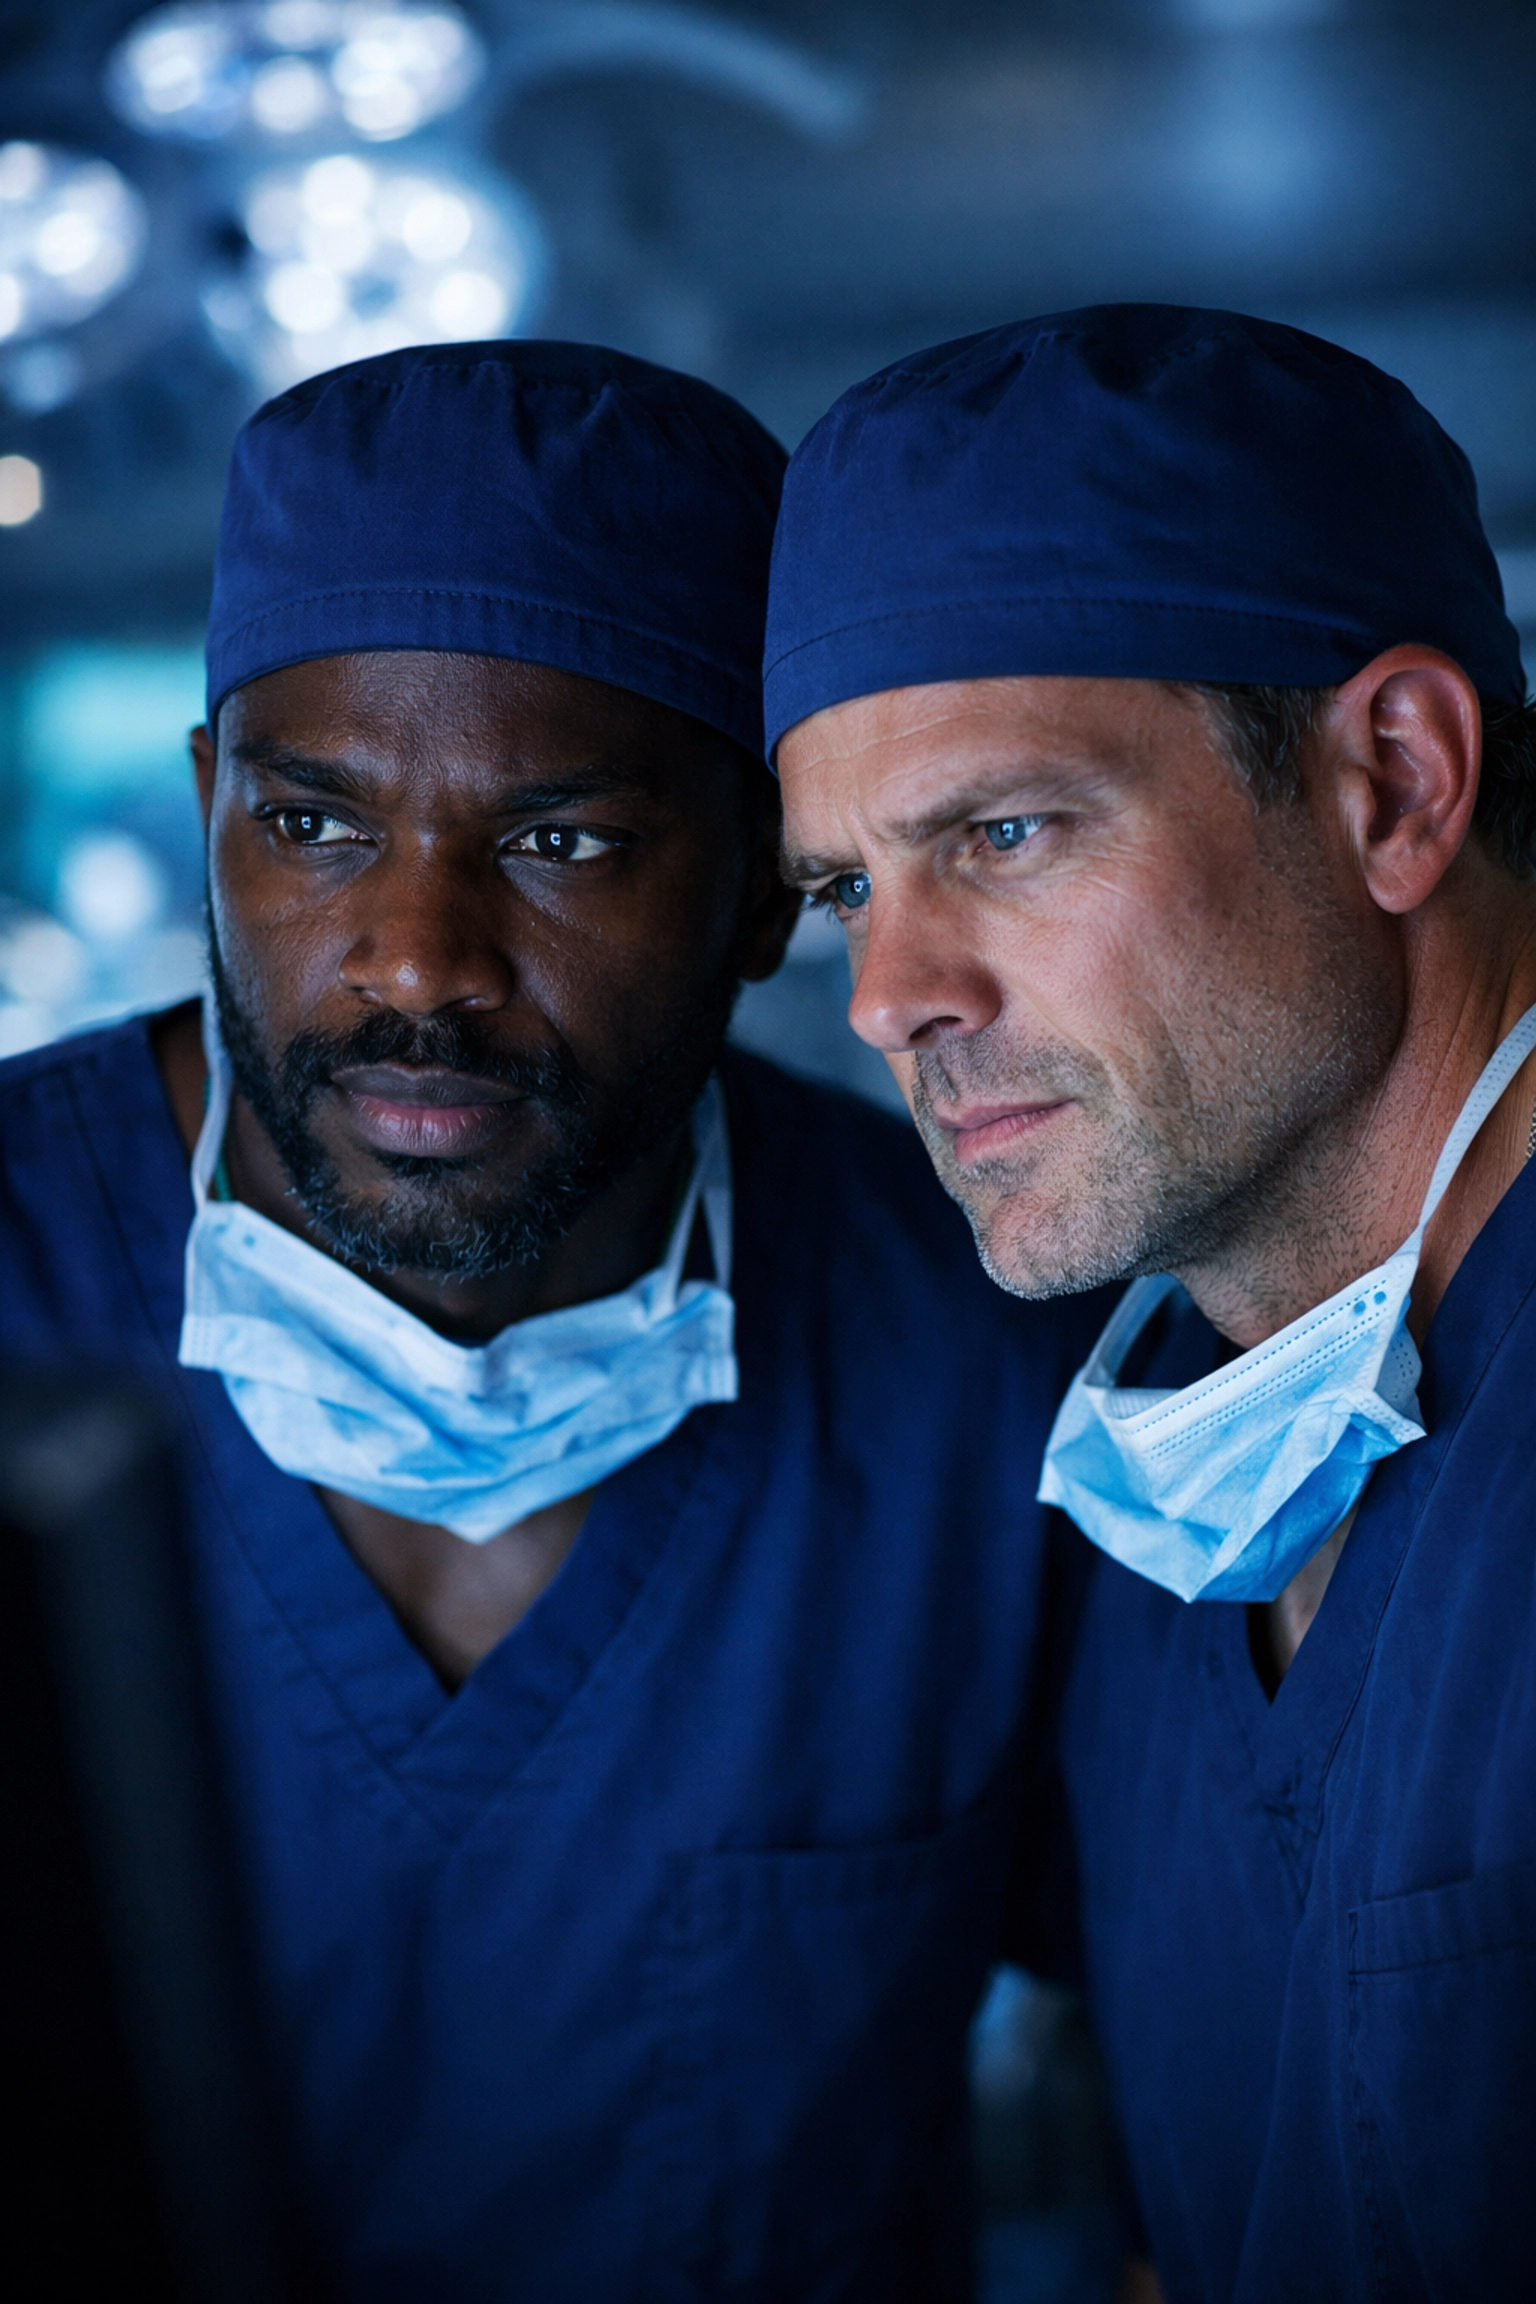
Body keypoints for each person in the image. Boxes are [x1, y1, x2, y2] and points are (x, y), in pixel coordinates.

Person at [0, 342, 1111, 2301]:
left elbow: (1205, 2048)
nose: (419, 956)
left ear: (768, 885)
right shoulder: (26, 1273)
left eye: (562, 841)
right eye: (315, 826)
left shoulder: (982, 1353)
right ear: (207, 813)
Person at [765, 304, 1536, 2303]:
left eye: (1000, 835)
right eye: (846, 887)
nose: (887, 996)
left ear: (1393, 783)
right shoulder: (1182, 1486)